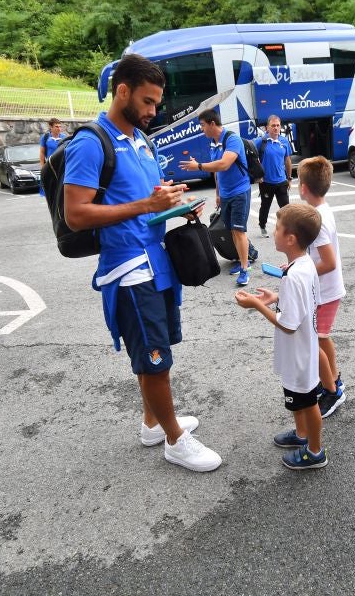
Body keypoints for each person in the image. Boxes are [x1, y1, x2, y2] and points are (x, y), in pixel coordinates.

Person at [63, 54, 221, 473]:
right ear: (123, 91)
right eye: (148, 102)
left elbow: (145, 202)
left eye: (157, 103)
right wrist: (145, 204)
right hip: (130, 270)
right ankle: (175, 440)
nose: (154, 111)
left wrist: (171, 203)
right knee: (155, 358)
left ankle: (153, 423)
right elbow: (76, 213)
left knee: (156, 349)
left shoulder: (140, 139)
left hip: (157, 262)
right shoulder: (90, 142)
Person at [235, 202, 328, 470]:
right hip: (303, 349)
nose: (273, 233)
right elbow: (308, 301)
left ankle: (315, 450)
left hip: (298, 353)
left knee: (308, 402)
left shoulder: (293, 275)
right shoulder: (305, 263)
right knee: (298, 397)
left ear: (290, 239)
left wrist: (257, 305)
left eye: (277, 229)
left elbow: (287, 325)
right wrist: (277, 296)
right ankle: (301, 436)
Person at [179, 110, 254, 287]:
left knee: (238, 230)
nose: (201, 129)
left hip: (239, 192)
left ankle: (244, 268)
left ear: (212, 123)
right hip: (226, 194)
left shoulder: (232, 139)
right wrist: (218, 194)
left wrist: (197, 165)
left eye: (203, 125)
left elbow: (224, 164)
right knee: (231, 231)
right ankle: (242, 259)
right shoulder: (214, 143)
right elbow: (217, 172)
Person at [297, 156, 347, 419]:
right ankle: (333, 378)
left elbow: (327, 262)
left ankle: (333, 390)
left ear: (303, 187)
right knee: (323, 336)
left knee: (317, 339)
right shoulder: (322, 211)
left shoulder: (318, 221)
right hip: (326, 290)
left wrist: (299, 270)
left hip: (326, 291)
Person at [253, 115, 293, 237]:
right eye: (273, 126)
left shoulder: (284, 141)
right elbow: (252, 157)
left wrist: (289, 178)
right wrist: (257, 176)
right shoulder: (261, 141)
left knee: (286, 208)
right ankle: (262, 225)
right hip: (266, 182)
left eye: (278, 125)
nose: (276, 128)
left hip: (281, 181)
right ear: (267, 128)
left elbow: (287, 160)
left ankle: (288, 228)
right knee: (265, 206)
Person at [38, 118, 67, 197]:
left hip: (61, 165)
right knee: (50, 187)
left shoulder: (64, 137)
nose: (59, 129)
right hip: (50, 165)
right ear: (51, 127)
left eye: (60, 127)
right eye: (56, 127)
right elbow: (42, 152)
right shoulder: (46, 137)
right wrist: (42, 165)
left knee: (61, 186)